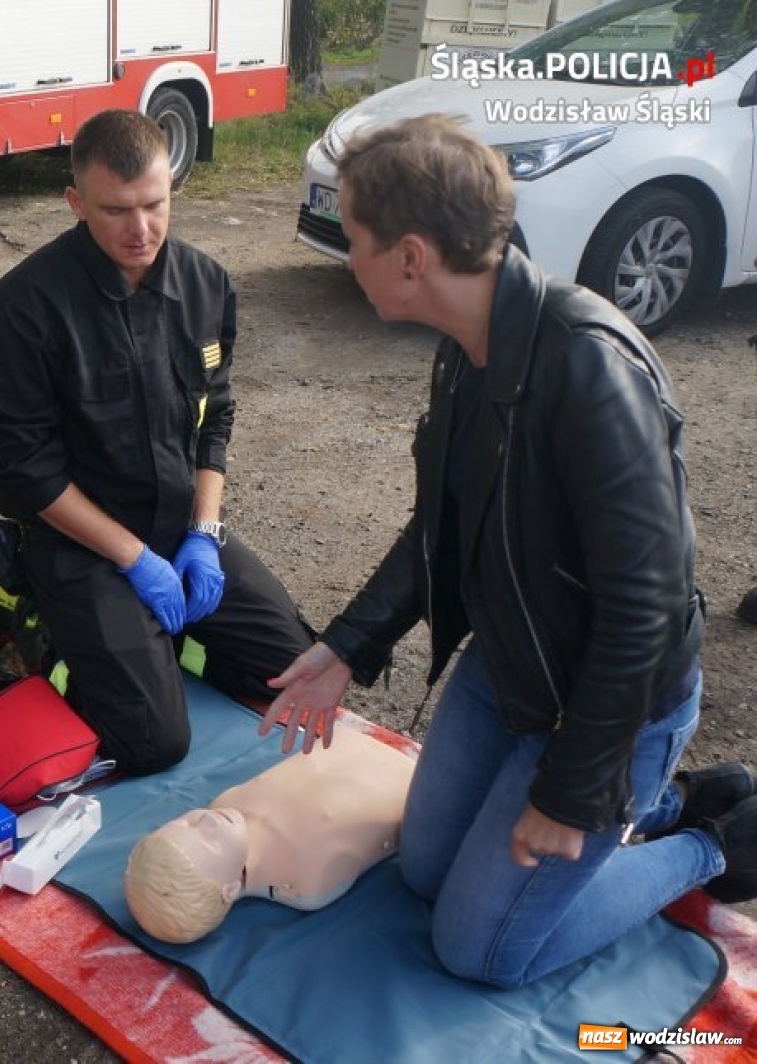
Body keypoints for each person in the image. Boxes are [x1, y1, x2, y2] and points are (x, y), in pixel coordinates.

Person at [261, 114, 757, 989]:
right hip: (514, 665)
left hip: (613, 705)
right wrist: (348, 646)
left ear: (412, 256)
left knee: (480, 949)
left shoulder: (588, 369)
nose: (346, 246)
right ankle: (668, 805)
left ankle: (717, 842)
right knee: (421, 871)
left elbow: (644, 613)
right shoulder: (469, 346)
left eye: (355, 232)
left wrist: (572, 794)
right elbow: (441, 528)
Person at [0, 108, 315, 776]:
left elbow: (215, 417)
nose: (141, 229)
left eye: (155, 205)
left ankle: (152, 635)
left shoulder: (205, 283)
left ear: (172, 186)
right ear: (76, 203)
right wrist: (132, 559)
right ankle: (36, 612)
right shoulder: (24, 310)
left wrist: (204, 534)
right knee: (154, 742)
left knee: (292, 673)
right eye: (117, 210)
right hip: (80, 540)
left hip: (178, 525)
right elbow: (23, 468)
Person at [125, 730, 415, 944]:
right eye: (207, 840)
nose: (206, 819)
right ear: (228, 890)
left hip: (349, 740)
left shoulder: (224, 809)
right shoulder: (306, 877)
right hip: (413, 775)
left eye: (184, 821)